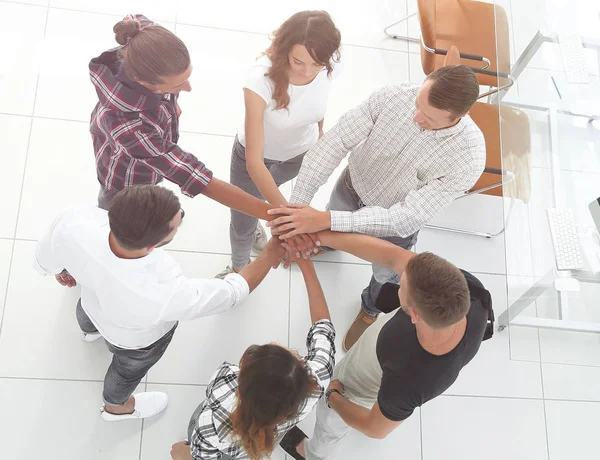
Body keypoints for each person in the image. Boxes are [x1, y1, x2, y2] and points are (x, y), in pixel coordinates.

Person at [267, 65, 487, 351]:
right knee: (323, 226)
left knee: (387, 278)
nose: (416, 117)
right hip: (350, 188)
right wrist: (298, 209)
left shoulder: (468, 159)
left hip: (390, 227)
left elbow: (405, 218)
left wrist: (325, 220)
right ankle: (326, 245)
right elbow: (333, 144)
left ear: (459, 117)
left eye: (429, 118)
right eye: (418, 104)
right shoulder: (392, 96)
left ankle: (370, 307)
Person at [33, 185, 286, 421]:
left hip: (90, 301)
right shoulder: (163, 289)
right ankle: (116, 407)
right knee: (125, 372)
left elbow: (43, 259)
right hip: (133, 341)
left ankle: (89, 332)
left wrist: (60, 270)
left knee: (87, 311)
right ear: (151, 246)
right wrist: (273, 250)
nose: (181, 218)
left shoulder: (75, 221)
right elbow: (232, 292)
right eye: (177, 224)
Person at [278, 231, 492, 460]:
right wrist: (316, 237)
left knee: (331, 423)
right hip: (377, 355)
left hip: (359, 385)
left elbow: (375, 428)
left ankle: (312, 454)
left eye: (401, 286)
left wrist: (333, 397)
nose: (398, 280)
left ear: (415, 316)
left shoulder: (411, 379)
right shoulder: (465, 290)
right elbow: (392, 256)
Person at [90, 14, 291, 240]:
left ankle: (157, 208)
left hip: (149, 162)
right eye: (177, 85)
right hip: (125, 183)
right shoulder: (130, 126)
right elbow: (196, 177)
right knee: (122, 230)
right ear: (144, 82)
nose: (189, 87)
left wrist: (167, 104)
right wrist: (278, 217)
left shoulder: (142, 36)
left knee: (155, 185)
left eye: (187, 76)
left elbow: (135, 19)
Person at [216, 10, 342, 279]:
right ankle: (239, 270)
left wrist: (319, 139)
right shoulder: (260, 80)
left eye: (316, 64)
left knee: (260, 201)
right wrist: (287, 220)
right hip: (254, 161)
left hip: (299, 156)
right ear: (285, 49)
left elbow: (318, 108)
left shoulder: (328, 63)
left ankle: (257, 225)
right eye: (298, 62)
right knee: (242, 221)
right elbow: (254, 162)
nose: (308, 71)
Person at [170, 257, 336, 460]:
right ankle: (286, 437)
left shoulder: (222, 388)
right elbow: (323, 326)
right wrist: (307, 266)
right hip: (270, 429)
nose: (274, 342)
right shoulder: (318, 378)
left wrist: (186, 455)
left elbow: (203, 454)